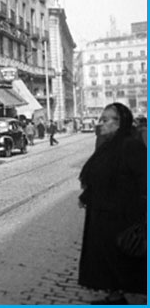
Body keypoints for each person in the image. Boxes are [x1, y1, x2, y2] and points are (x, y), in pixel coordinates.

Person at [77, 103, 147, 304]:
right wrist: (86, 197)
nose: (102, 123)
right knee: (105, 258)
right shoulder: (107, 145)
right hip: (101, 214)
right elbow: (98, 177)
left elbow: (144, 179)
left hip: (122, 215)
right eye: (102, 119)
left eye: (107, 119)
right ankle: (114, 295)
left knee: (120, 257)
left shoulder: (130, 145)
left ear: (120, 123)